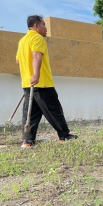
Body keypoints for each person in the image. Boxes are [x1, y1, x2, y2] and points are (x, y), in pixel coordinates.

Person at [16, 15, 77, 148]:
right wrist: (36, 74)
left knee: (30, 113)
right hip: (42, 82)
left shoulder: (22, 41)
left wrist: (28, 74)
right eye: (44, 24)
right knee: (54, 109)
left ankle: (27, 140)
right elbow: (37, 55)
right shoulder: (37, 38)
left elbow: (18, 61)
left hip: (27, 83)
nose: (46, 28)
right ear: (36, 26)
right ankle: (64, 135)